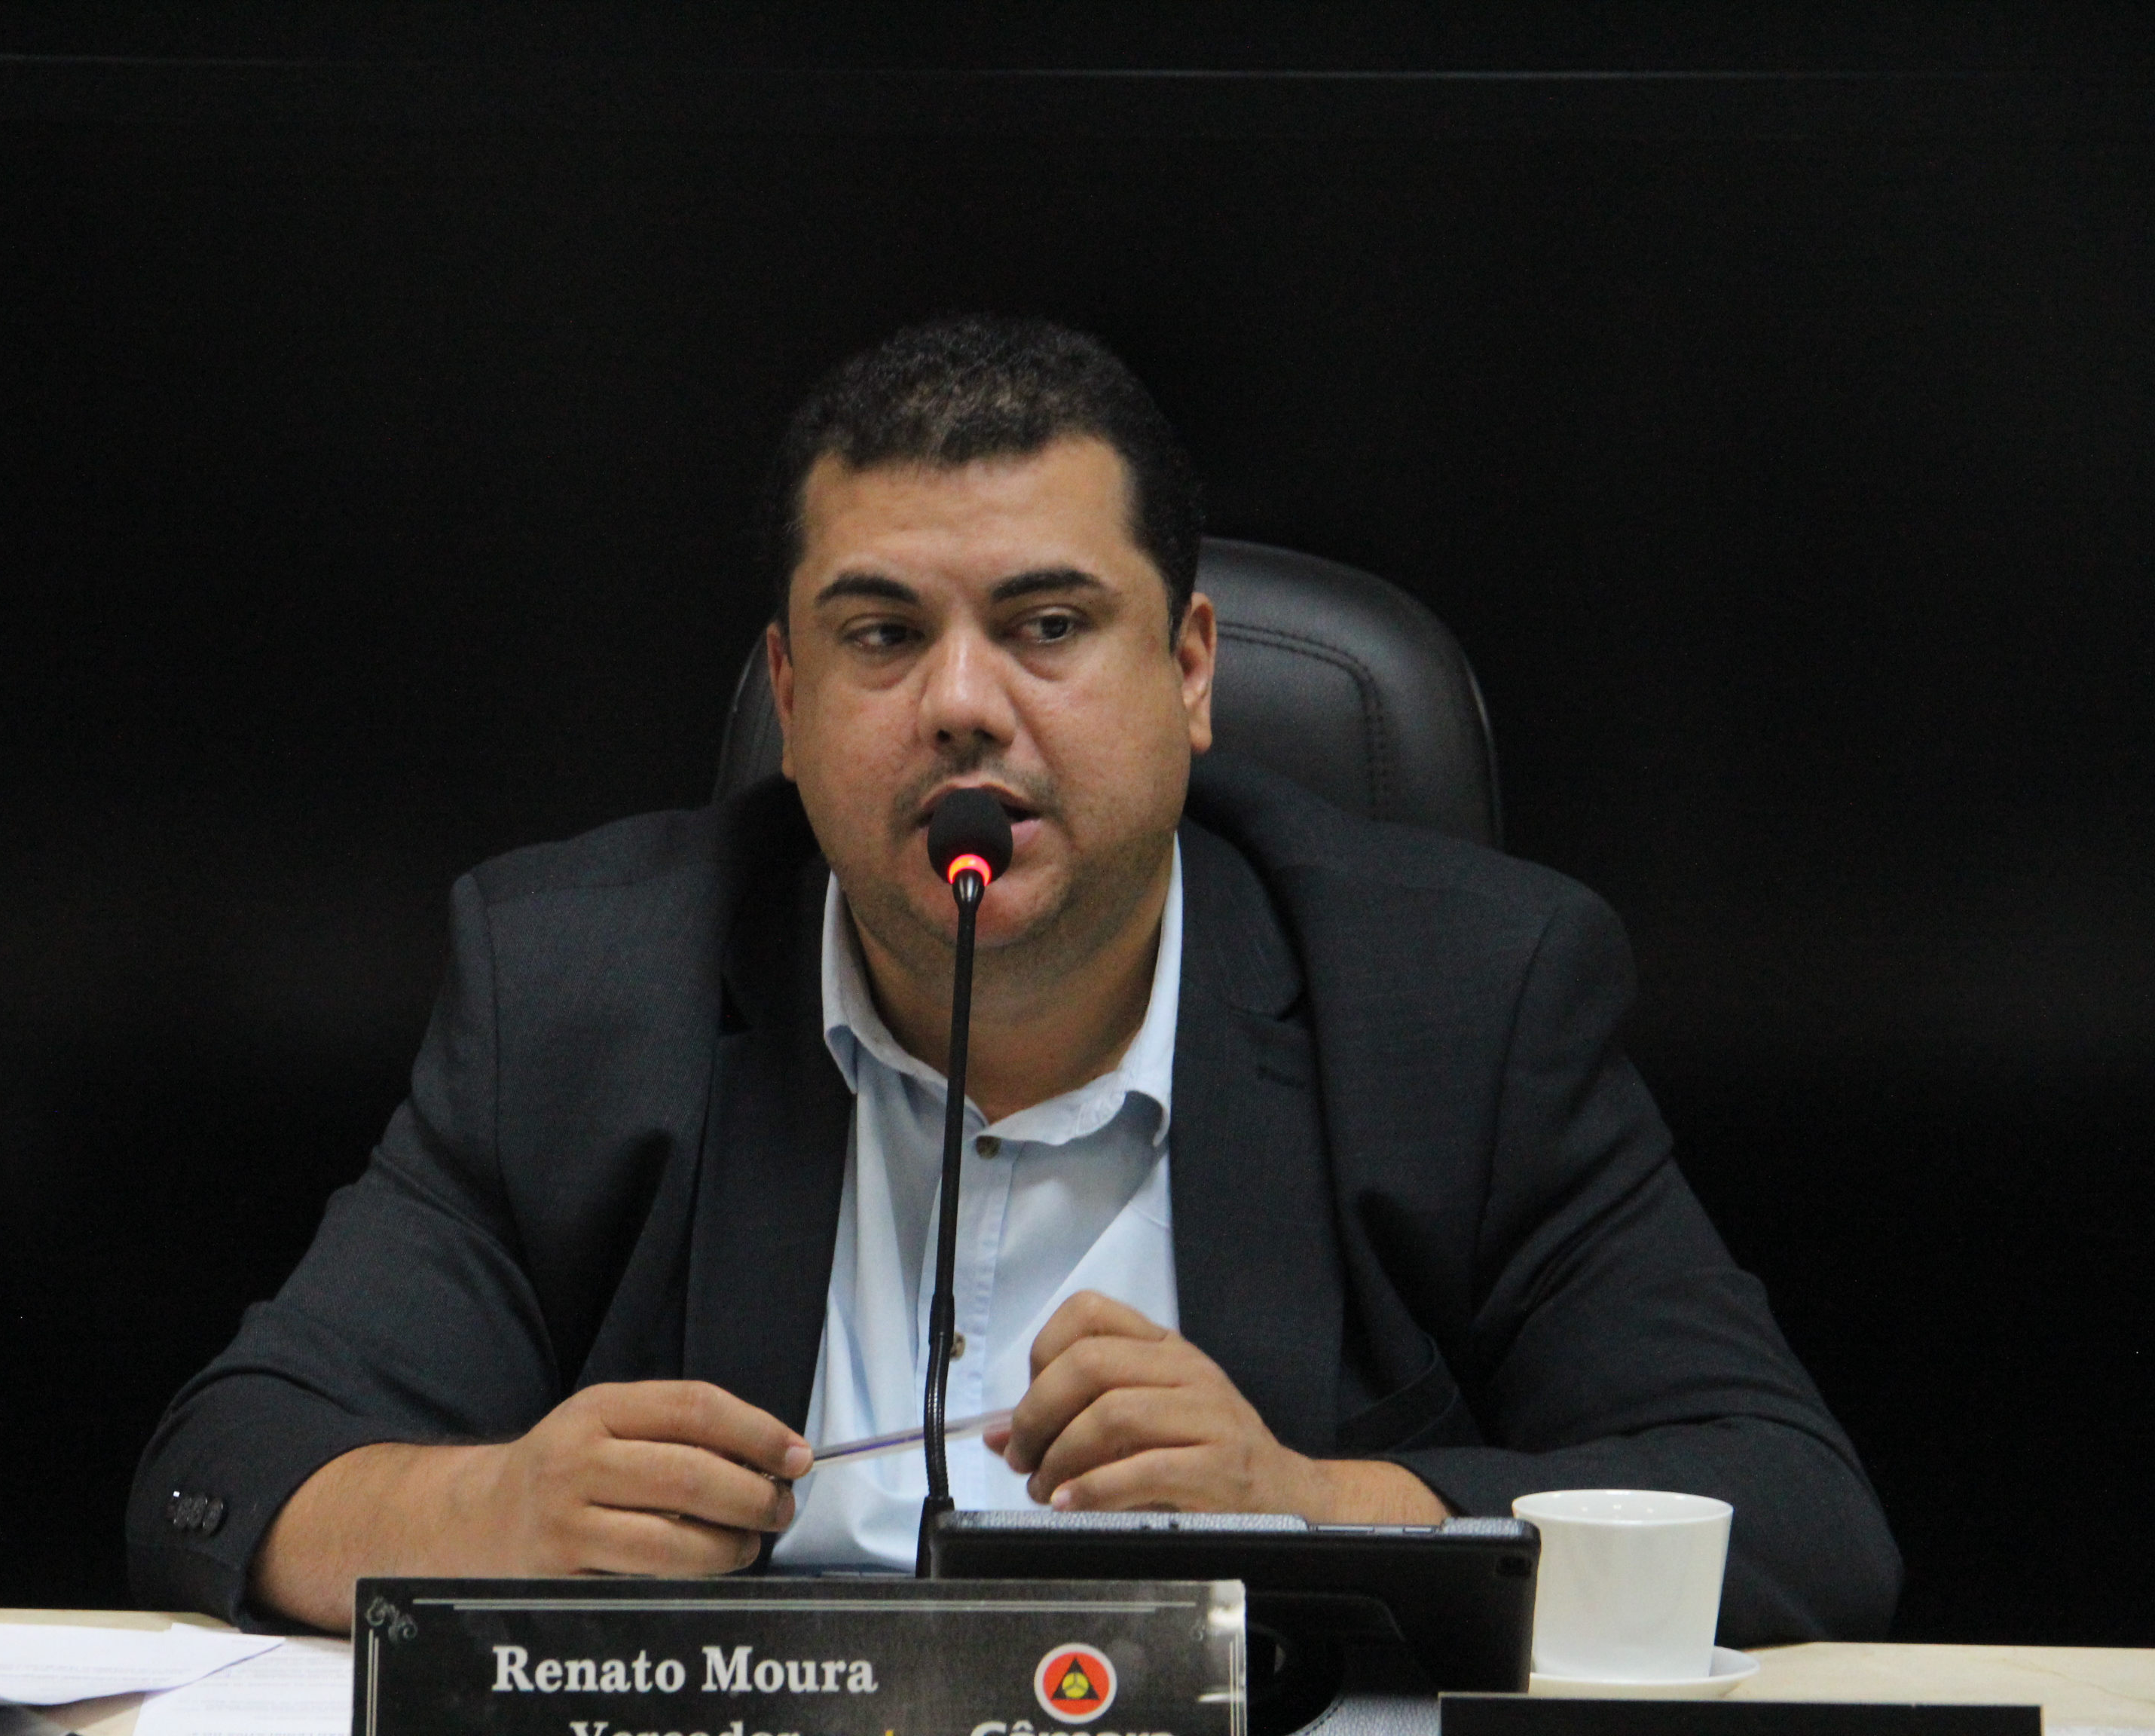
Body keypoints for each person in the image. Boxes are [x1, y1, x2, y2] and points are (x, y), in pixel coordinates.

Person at [127, 316, 1902, 1642]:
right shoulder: (580, 988)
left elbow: (1798, 1524)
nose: (964, 705)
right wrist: (491, 1510)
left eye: (1050, 628)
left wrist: (1314, 1509)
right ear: (792, 698)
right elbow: (218, 1474)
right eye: (883, 636)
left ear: (1190, 674)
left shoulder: (1461, 999)